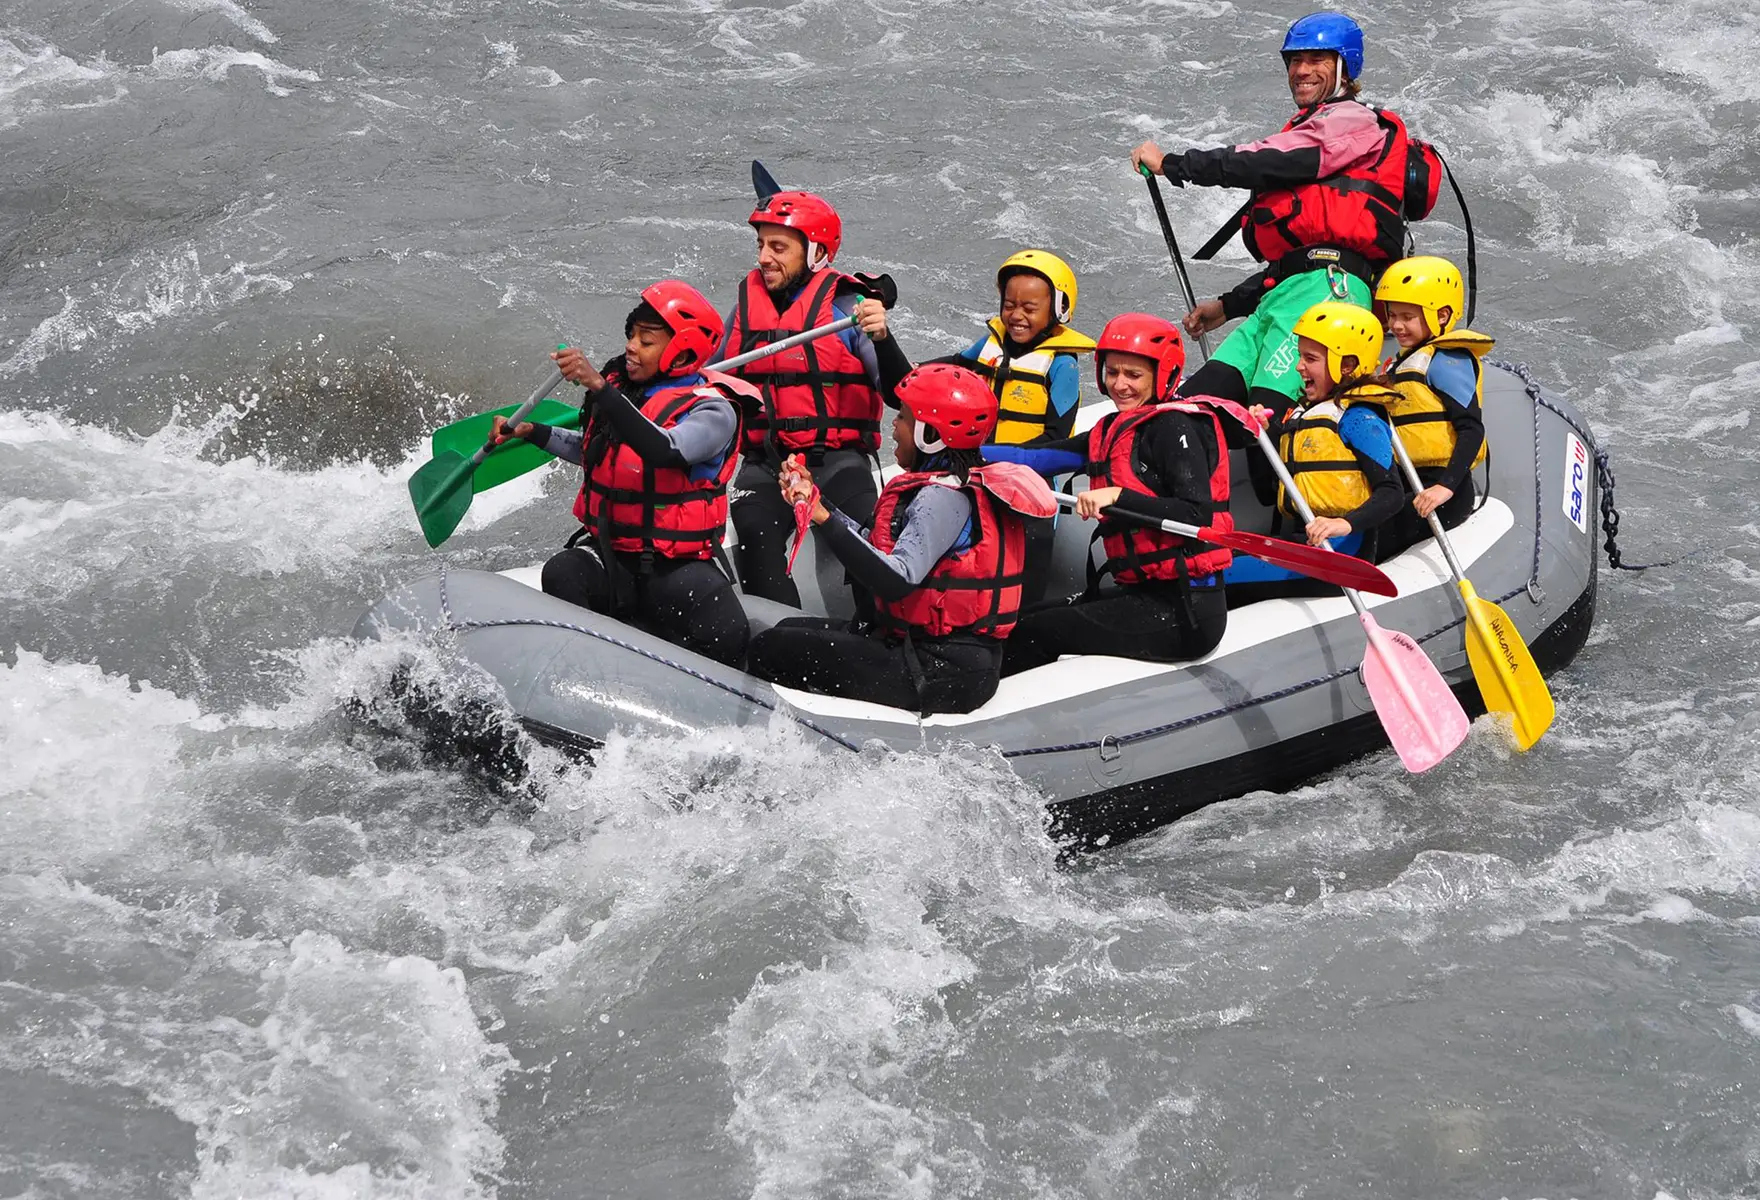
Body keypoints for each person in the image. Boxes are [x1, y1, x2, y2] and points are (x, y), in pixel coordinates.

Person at [1130, 12, 1430, 422]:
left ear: (1345, 66)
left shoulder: (1352, 122)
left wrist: (1174, 164)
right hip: (1284, 298)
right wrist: (1228, 304)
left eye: (1317, 59)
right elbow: (1304, 258)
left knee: (1265, 423)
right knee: (1181, 412)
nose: (1301, 70)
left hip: (1329, 298)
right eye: (1294, 60)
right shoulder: (1316, 128)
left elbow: (1263, 162)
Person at [745, 364, 1056, 715]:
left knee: (771, 647)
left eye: (904, 418)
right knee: (790, 628)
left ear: (931, 434)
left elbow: (895, 579)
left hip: (938, 670)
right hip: (935, 657)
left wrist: (823, 516)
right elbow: (875, 546)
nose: (893, 426)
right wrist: (817, 499)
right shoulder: (949, 486)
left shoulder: (942, 497)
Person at [490, 280, 753, 668]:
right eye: (631, 335)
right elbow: (599, 453)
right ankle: (584, 669)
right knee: (563, 571)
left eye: (646, 341)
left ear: (681, 353)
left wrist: (599, 385)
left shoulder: (714, 412)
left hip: (676, 569)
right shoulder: (627, 395)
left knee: (728, 635)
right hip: (615, 560)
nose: (631, 345)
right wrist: (536, 433)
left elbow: (664, 450)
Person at [981, 313, 1232, 673]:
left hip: (1187, 611)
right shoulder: (1113, 430)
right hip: (1144, 595)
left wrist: (1117, 496)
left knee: (1037, 631)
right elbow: (1033, 458)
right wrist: (965, 455)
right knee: (1017, 619)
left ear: (1162, 375)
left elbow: (1196, 514)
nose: (1120, 385)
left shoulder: (1174, 427)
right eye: (1112, 372)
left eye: (1133, 375)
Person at [715, 189, 912, 606]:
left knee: (872, 538)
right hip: (768, 463)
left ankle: (877, 639)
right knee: (753, 530)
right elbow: (710, 381)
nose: (764, 257)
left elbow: (900, 394)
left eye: (779, 247)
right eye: (761, 245)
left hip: (838, 460)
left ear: (817, 252)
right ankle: (785, 645)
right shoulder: (746, 307)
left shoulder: (849, 307)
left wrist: (882, 336)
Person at [1237, 302, 1403, 600]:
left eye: (1310, 358)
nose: (1299, 366)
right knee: (1212, 565)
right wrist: (1259, 436)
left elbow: (1391, 493)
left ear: (1347, 365)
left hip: (1342, 555)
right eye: (1300, 356)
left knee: (1213, 579)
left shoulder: (1358, 418)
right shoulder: (1302, 416)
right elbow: (1268, 492)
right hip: (1303, 541)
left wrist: (1343, 523)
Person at [1373, 254, 1490, 546]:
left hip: (1442, 489)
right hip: (1407, 480)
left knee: (1372, 535)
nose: (1397, 326)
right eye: (1392, 315)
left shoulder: (1446, 360)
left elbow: (1471, 429)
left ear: (1441, 315)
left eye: (1407, 317)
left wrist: (1444, 488)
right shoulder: (1399, 364)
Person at [954, 250, 1097, 447]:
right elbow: (947, 368)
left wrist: (995, 457)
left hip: (1028, 473)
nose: (1016, 316)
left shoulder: (1062, 365)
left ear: (1059, 309)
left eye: (1029, 309)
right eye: (1009, 305)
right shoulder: (990, 345)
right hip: (977, 468)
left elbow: (1057, 438)